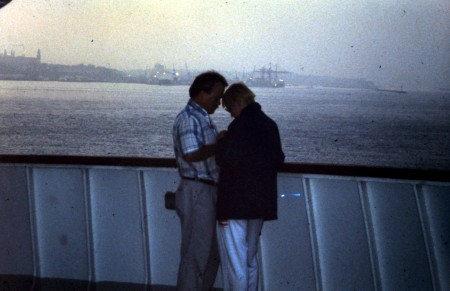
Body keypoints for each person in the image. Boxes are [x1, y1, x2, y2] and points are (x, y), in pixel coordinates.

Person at [215, 82, 285, 291]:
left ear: (238, 102)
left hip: (234, 204)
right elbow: (278, 159)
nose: (230, 114)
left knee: (236, 261)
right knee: (249, 257)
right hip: (260, 203)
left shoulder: (238, 127)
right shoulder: (270, 125)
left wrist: (221, 141)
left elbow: (224, 159)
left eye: (229, 108)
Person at [172, 71, 228, 290]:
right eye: (217, 97)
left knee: (211, 253)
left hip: (206, 191)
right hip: (197, 191)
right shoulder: (188, 119)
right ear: (203, 94)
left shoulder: (202, 118)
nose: (219, 102)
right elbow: (191, 153)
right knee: (197, 253)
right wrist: (220, 145)